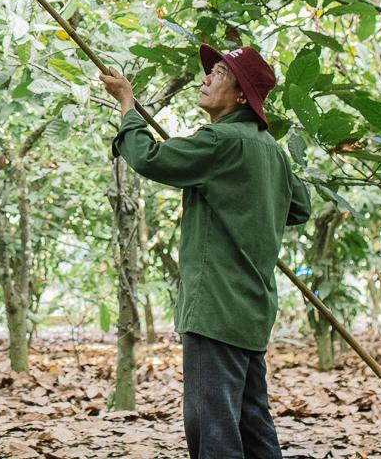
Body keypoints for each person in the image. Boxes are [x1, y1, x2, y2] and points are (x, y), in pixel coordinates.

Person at [100, 43, 311, 459]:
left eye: (220, 73)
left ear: (241, 96)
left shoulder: (220, 140)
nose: (206, 78)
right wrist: (249, 200)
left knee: (212, 431)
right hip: (251, 309)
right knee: (253, 425)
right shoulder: (273, 151)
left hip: (215, 307)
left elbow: (149, 157)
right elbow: (299, 207)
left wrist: (127, 104)